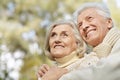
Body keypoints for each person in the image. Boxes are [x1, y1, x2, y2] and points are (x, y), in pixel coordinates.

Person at [38, 2, 120, 80]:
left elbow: (104, 73)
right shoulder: (102, 54)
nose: (84, 26)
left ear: (109, 22)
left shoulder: (91, 63)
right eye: (80, 25)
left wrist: (64, 75)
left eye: (89, 18)